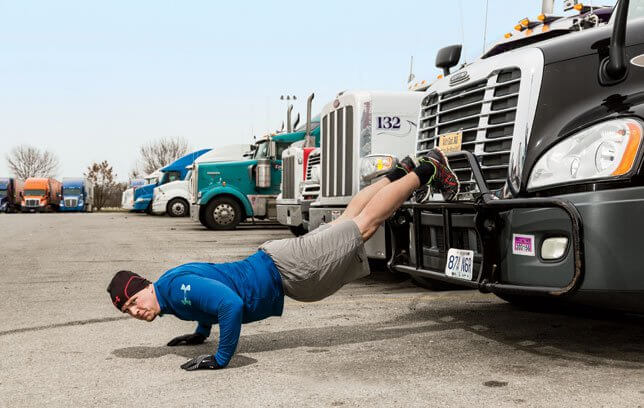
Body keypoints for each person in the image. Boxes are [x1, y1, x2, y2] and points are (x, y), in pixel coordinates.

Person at [107, 147, 459, 371]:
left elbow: (228, 304)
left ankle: (425, 171)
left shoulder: (177, 290)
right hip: (279, 261)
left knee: (363, 227)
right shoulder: (171, 293)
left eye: (135, 301)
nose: (137, 311)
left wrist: (220, 358)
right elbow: (208, 299)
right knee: (349, 218)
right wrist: (199, 334)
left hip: (286, 268)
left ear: (144, 286)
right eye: (130, 312)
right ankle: (401, 173)